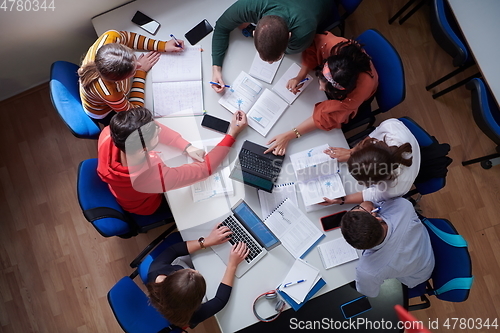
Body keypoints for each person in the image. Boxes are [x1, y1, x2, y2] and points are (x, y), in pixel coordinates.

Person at [97, 107, 247, 215]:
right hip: (146, 205)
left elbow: (144, 129)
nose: (159, 130)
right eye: (155, 135)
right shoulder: (153, 178)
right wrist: (232, 134)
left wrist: (185, 146)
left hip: (123, 191)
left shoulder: (110, 134)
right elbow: (204, 170)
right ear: (142, 149)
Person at [264, 31, 378, 155]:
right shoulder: (331, 45)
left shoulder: (359, 91)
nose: (319, 89)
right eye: (320, 81)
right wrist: (300, 76)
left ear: (342, 91)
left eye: (325, 89)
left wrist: (290, 135)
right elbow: (313, 48)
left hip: (361, 99)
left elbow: (328, 116)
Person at [211, 0, 333, 93]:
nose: (269, 64)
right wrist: (216, 69)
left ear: (289, 36)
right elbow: (221, 26)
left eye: (277, 58)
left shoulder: (302, 34)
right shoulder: (252, 6)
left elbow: (292, 51)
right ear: (255, 32)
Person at [146, 225, 249, 329]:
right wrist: (232, 265)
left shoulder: (156, 270)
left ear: (172, 277)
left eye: (190, 271)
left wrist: (207, 241)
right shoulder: (193, 316)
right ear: (196, 302)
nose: (197, 270)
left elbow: (174, 250)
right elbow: (220, 301)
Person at [78, 30, 184, 125]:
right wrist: (140, 72)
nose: (139, 64)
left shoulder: (110, 37)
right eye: (133, 71)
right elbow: (134, 113)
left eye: (134, 58)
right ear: (119, 80)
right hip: (102, 111)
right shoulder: (111, 92)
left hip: (105, 96)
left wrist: (162, 45)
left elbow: (129, 38)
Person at [340, 198, 434, 297]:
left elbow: (369, 293)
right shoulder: (403, 207)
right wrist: (367, 204)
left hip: (416, 275)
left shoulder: (368, 272)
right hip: (425, 251)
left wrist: (366, 204)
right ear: (377, 218)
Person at [321, 118, 420, 205]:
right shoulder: (390, 127)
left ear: (377, 182)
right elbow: (374, 136)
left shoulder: (395, 188)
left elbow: (372, 195)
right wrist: (351, 152)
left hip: (416, 164)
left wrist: (342, 200)